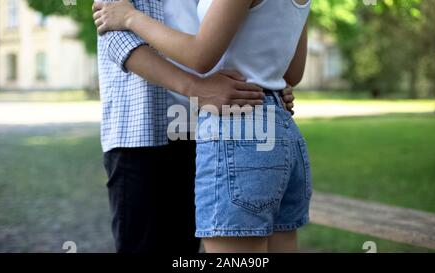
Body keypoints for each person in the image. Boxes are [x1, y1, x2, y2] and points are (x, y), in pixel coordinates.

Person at [94, 0, 296, 253]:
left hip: (214, 128)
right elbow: (115, 38)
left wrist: (268, 81)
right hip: (145, 133)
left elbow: (246, 30)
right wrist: (196, 89)